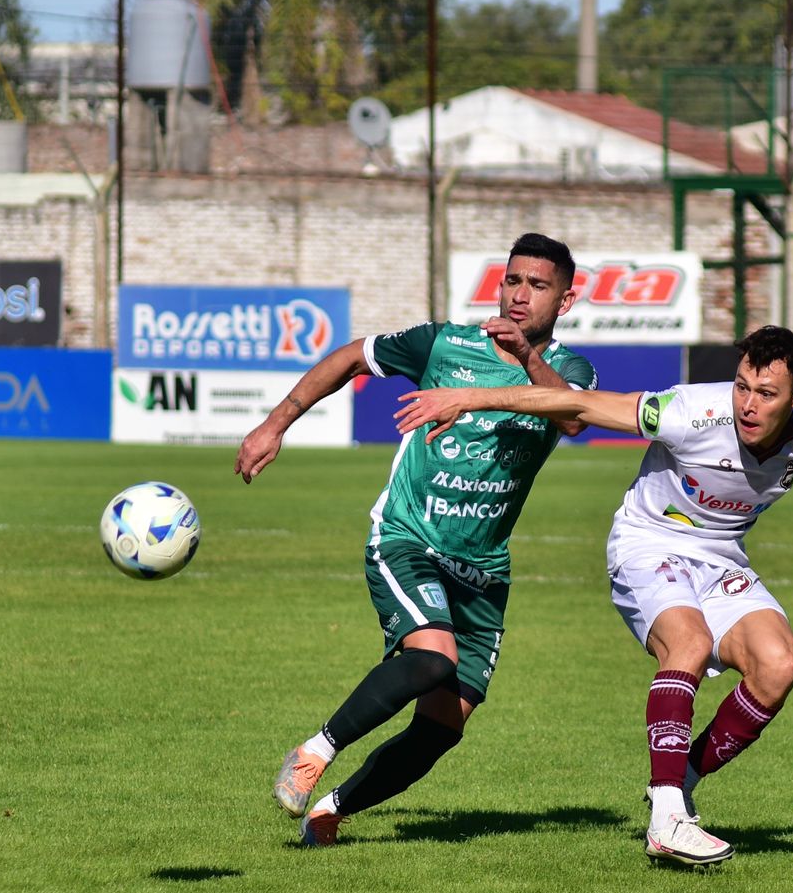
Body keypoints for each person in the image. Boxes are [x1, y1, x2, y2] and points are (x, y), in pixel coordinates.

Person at [394, 325, 793, 867]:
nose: (747, 403)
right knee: (687, 644)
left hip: (719, 559)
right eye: (742, 386)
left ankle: (679, 780)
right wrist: (470, 397)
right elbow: (576, 403)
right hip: (648, 544)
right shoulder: (690, 412)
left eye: (766, 394)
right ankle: (667, 820)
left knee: (779, 664)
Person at [235, 233, 596, 847]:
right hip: (408, 537)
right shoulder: (445, 344)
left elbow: (571, 416)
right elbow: (352, 356)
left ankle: (330, 811)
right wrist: (276, 423)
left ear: (565, 299)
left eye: (538, 286)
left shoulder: (572, 372)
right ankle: (313, 751)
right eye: (513, 280)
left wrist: (525, 359)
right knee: (431, 659)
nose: (519, 295)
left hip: (483, 566)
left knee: (443, 726)